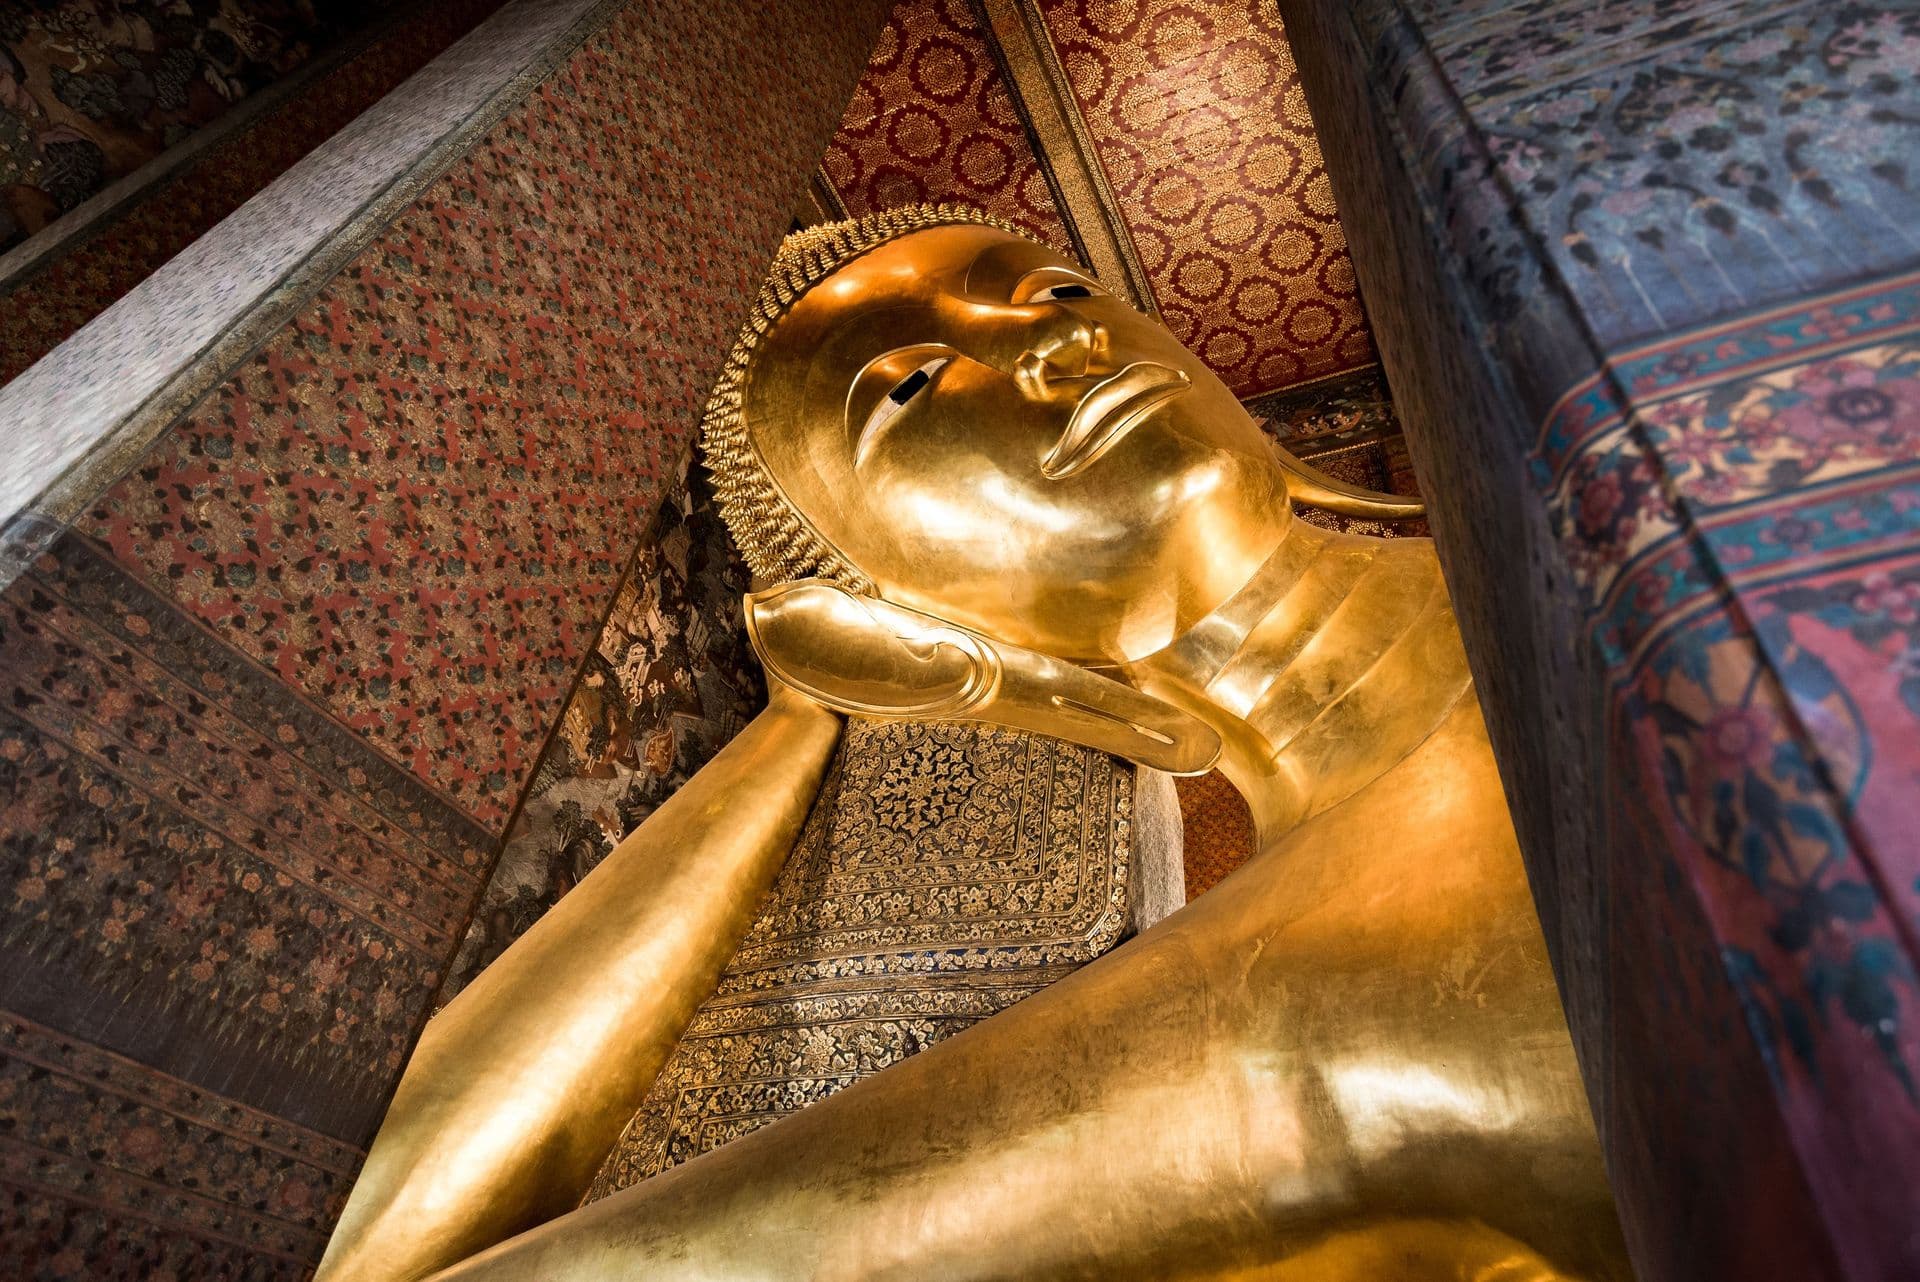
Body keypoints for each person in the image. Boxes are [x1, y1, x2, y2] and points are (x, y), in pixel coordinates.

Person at [318, 205, 1631, 1282]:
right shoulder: (1294, 1021)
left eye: (1053, 293)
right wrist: (789, 742)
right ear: (881, 626)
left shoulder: (1572, 467)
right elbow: (359, 1242)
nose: (1049, 348)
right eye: (911, 388)